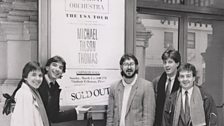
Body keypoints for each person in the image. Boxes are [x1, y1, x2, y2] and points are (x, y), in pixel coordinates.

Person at [38, 55, 90, 124]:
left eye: (60, 68)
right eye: (54, 65)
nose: (57, 69)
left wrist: (77, 111)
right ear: (47, 68)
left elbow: (54, 117)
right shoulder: (38, 82)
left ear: (62, 73)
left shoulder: (55, 88)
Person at [106, 54, 155, 126]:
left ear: (136, 67)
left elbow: (148, 118)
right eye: (126, 64)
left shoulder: (146, 86)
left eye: (131, 64)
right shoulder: (114, 87)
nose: (129, 67)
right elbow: (110, 116)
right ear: (121, 67)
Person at [10, 61, 49, 126]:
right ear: (25, 77)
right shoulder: (24, 94)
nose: (37, 79)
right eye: (34, 75)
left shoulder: (33, 92)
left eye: (40, 75)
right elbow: (25, 122)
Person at [153, 49, 181, 126]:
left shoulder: (182, 82)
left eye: (170, 62)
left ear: (177, 63)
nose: (167, 65)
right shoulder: (157, 82)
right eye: (165, 62)